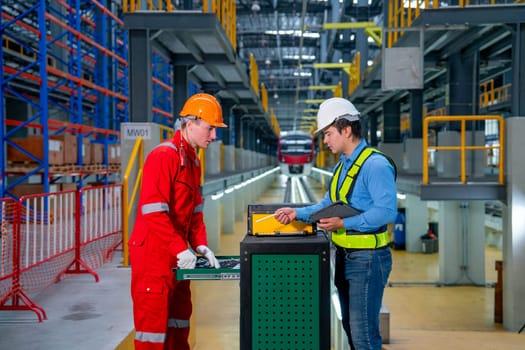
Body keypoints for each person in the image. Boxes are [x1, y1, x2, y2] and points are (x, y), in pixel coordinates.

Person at [273, 97, 397, 350]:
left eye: (328, 134)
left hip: (368, 260)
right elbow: (327, 203)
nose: (325, 141)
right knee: (352, 329)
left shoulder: (375, 165)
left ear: (347, 129)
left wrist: (344, 221)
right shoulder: (342, 167)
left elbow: (386, 212)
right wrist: (298, 213)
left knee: (364, 336)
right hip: (345, 257)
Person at [128, 93, 227, 350]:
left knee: (179, 322)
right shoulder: (164, 156)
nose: (214, 136)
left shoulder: (193, 161)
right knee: (153, 332)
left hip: (178, 257)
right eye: (210, 128)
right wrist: (180, 248)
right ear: (190, 123)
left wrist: (201, 245)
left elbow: (194, 213)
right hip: (154, 258)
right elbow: (153, 212)